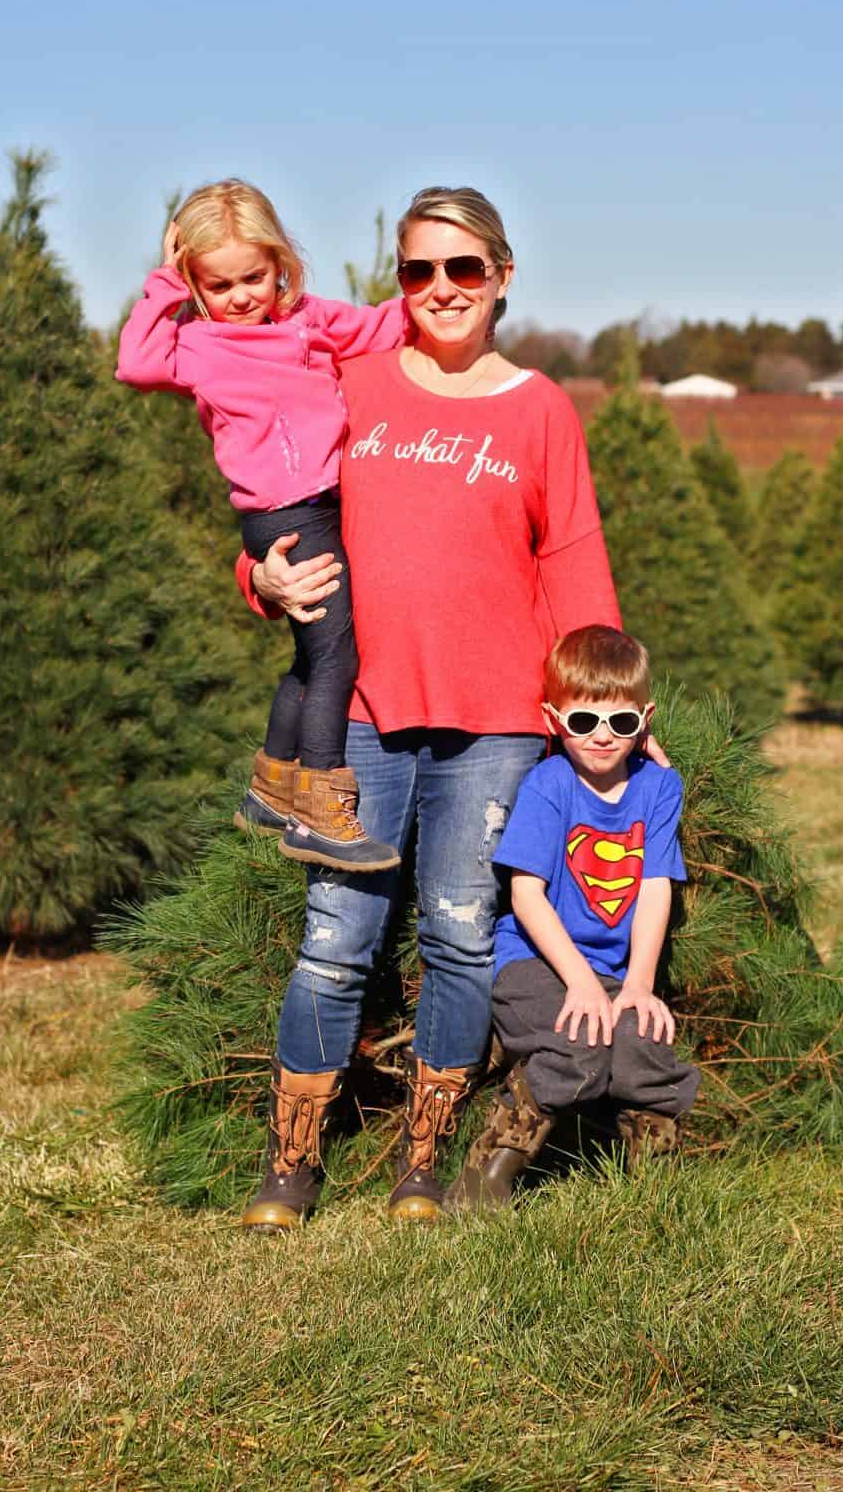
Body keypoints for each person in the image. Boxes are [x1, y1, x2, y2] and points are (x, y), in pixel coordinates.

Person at [232, 185, 633, 1234]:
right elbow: (281, 510)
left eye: (464, 270)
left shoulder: (540, 407)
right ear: (399, 282)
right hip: (362, 711)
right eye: (420, 271)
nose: (441, 290)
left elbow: (572, 558)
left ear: (502, 276)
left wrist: (607, 705)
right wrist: (258, 580)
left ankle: (423, 1162)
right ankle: (292, 1163)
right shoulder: (352, 385)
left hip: (497, 722)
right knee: (337, 935)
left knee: (460, 932)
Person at [116, 178, 408, 873]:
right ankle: (321, 809)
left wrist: (442, 293)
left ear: (281, 263)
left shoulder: (307, 319)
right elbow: (133, 362)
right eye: (219, 284)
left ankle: (270, 791)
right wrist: (163, 282)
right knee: (339, 657)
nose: (241, 295)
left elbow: (382, 326)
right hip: (283, 518)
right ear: (194, 284)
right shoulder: (195, 342)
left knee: (311, 658)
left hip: (318, 508)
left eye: (254, 275)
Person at [446, 624, 700, 1211]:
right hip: (535, 963)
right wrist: (581, 982)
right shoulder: (549, 784)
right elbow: (526, 895)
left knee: (644, 1040)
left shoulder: (660, 788)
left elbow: (656, 887)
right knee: (580, 1041)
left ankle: (653, 1183)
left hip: (615, 970)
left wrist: (638, 984)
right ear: (555, 720)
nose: (603, 737)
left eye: (622, 722)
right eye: (584, 721)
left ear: (645, 720)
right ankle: (487, 1176)